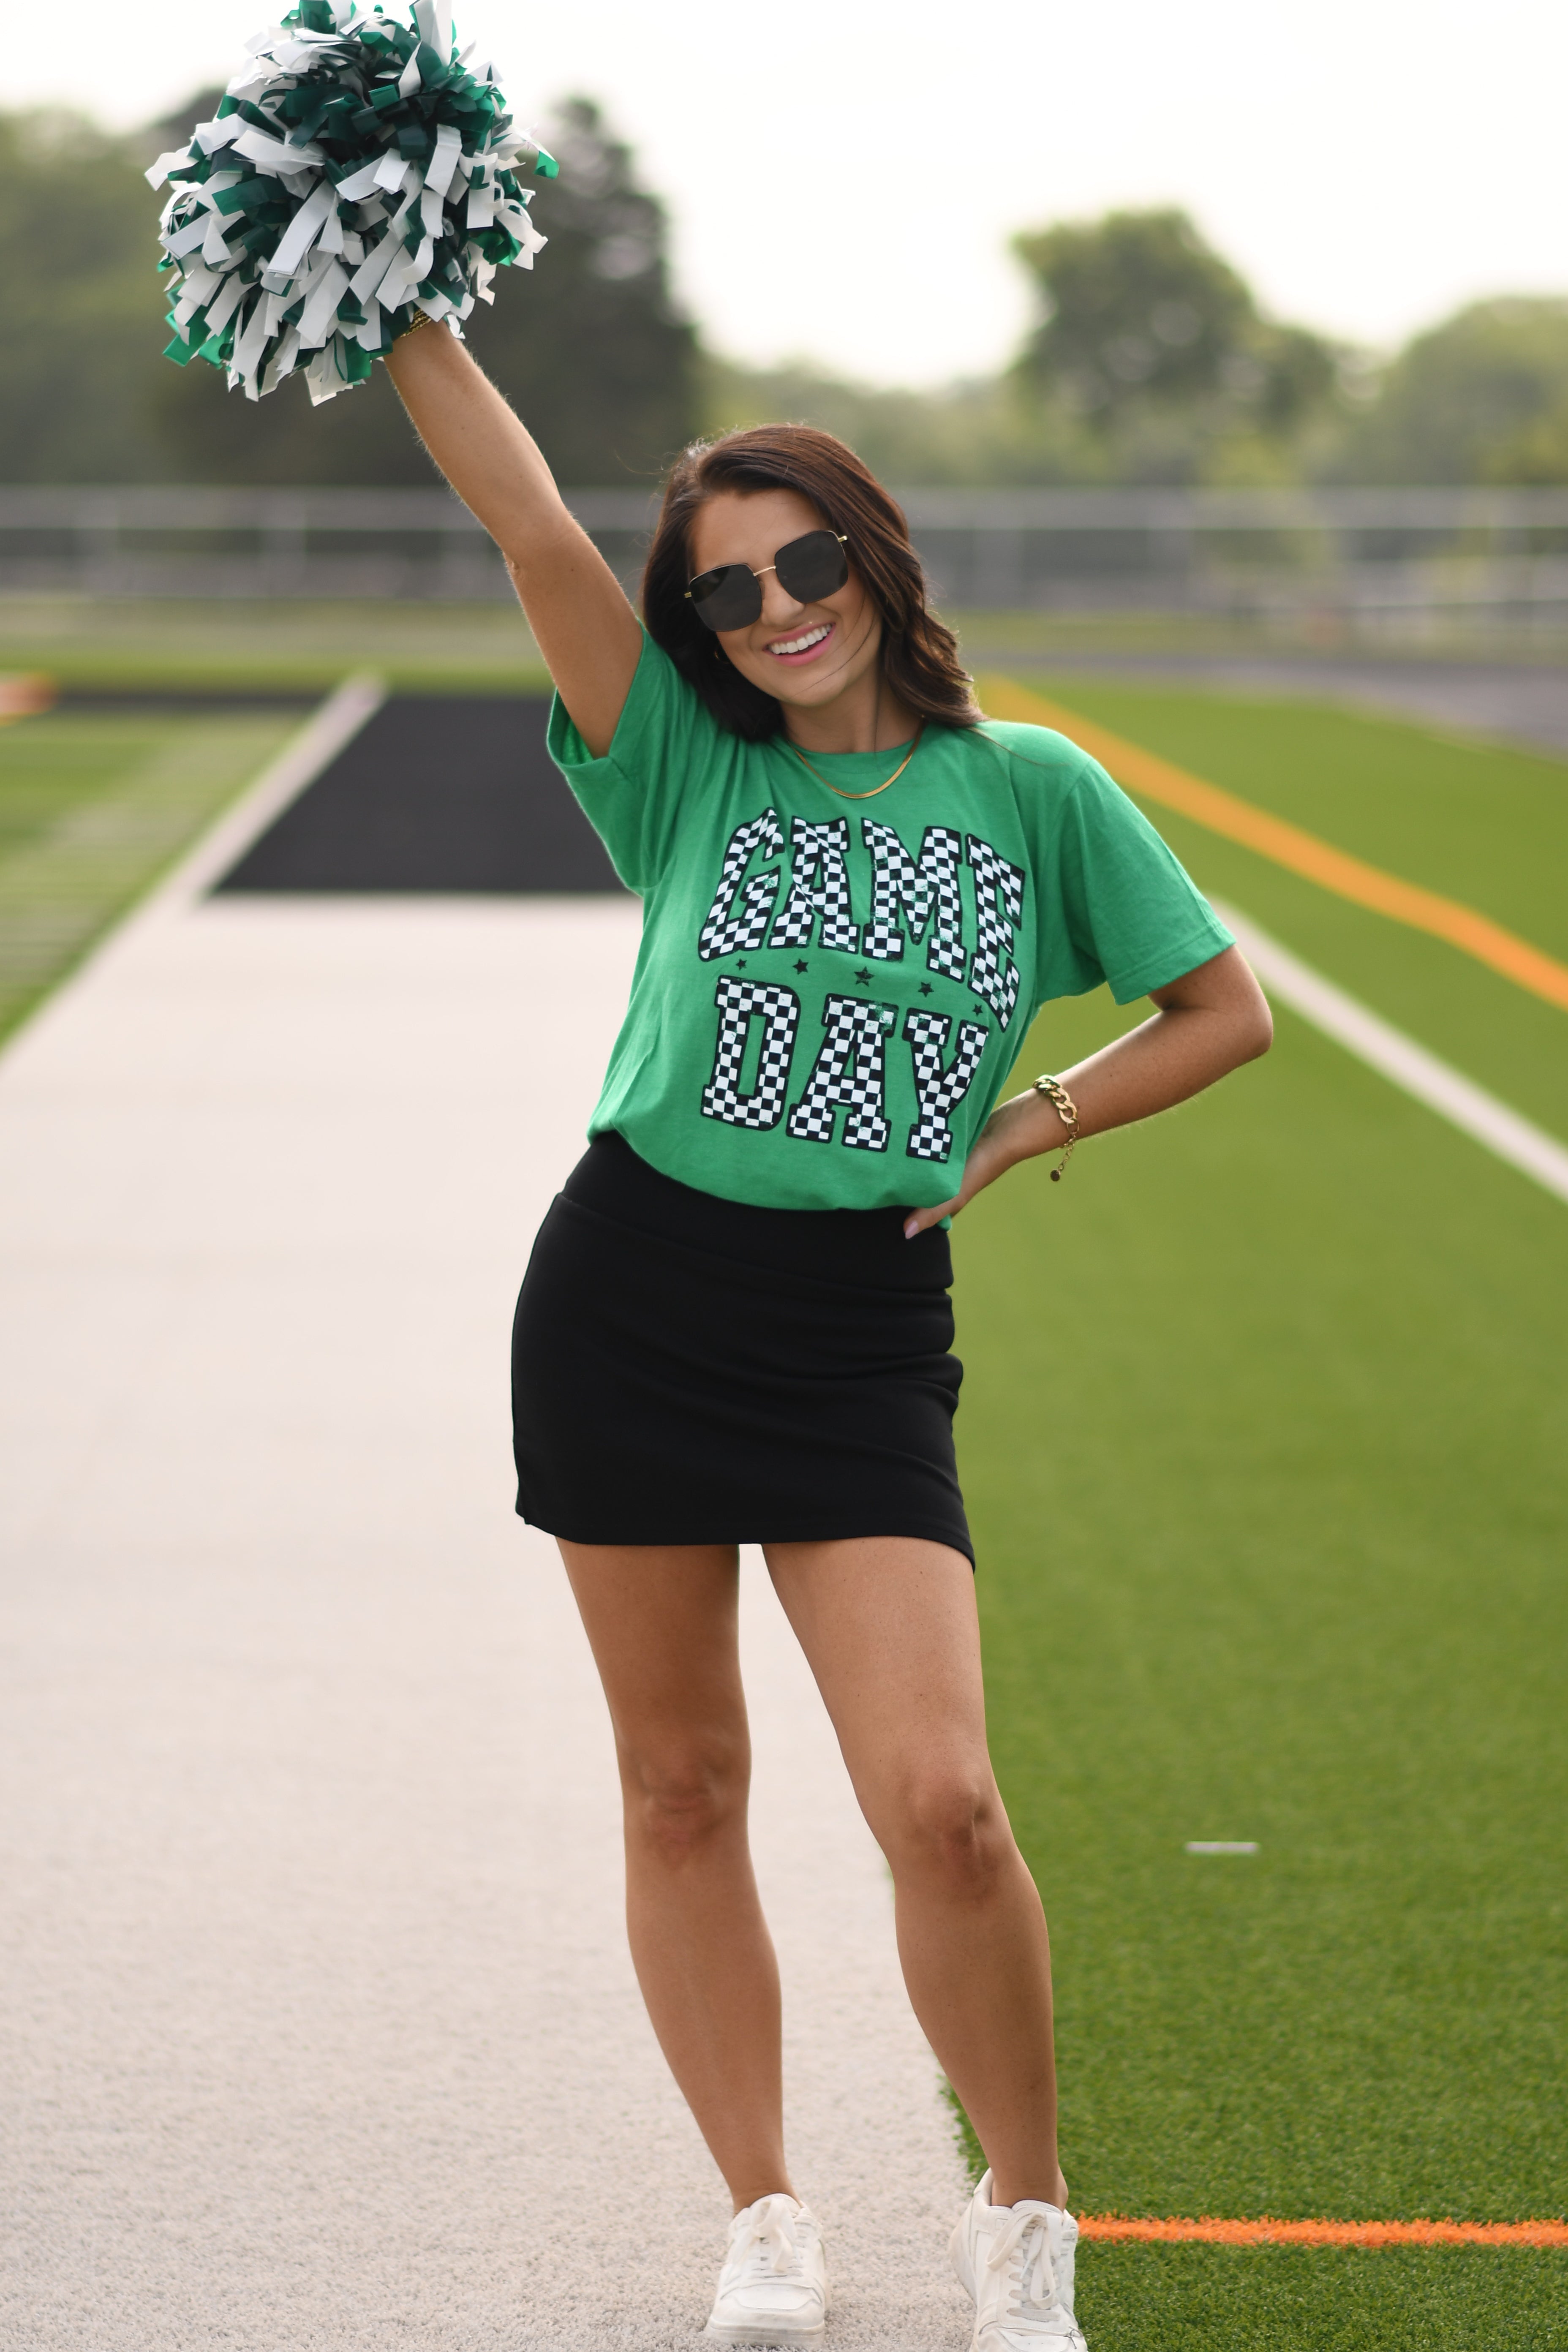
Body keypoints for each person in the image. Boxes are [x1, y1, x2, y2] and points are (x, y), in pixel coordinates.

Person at [384, 315, 1272, 2351]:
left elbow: (1223, 1010)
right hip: (630, 1294)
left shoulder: (1028, 790)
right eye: (727, 585)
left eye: (804, 563)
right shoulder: (679, 756)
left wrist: (1022, 1124)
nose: (773, 608)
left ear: (873, 558)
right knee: (681, 1784)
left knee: (940, 1801)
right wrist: (409, 300)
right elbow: (527, 524)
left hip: (858, 1334)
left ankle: (1024, 2222)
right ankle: (767, 2211)